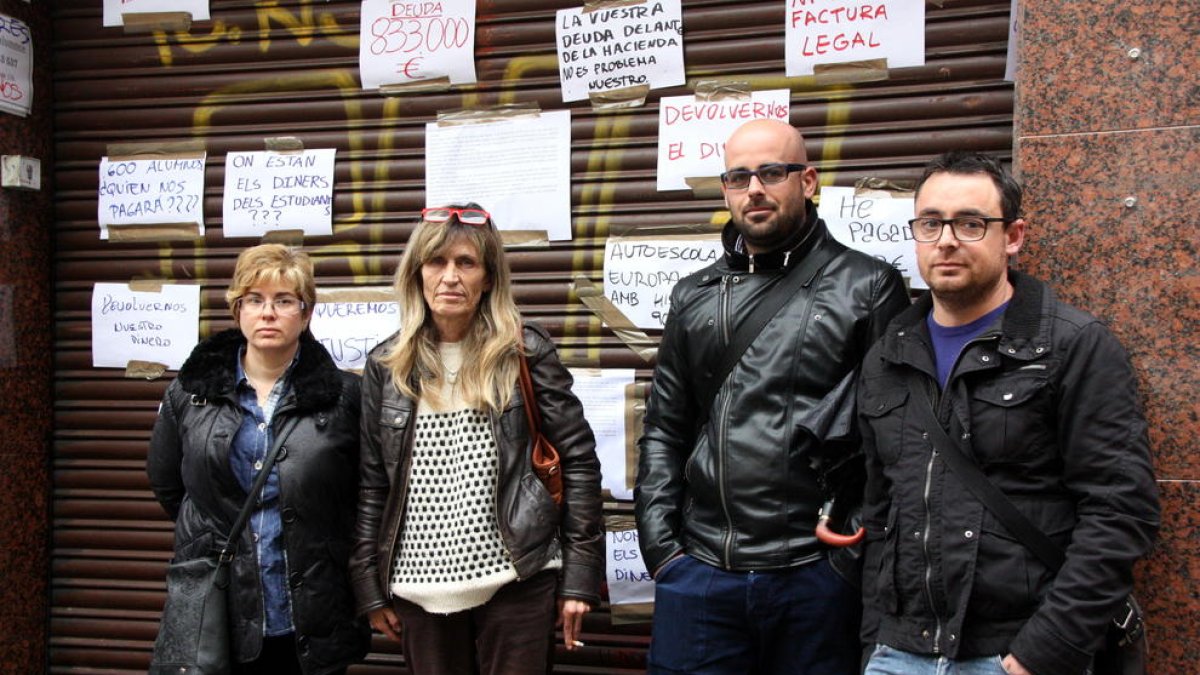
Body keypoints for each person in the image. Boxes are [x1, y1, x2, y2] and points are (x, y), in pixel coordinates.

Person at [857, 151, 1161, 675]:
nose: (946, 240)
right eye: (930, 223)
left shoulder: (1073, 346)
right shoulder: (889, 353)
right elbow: (882, 513)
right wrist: (873, 643)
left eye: (970, 223)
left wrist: (1035, 658)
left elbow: (1120, 514)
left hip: (1013, 652)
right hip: (898, 652)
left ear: (1013, 236)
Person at [635, 119, 911, 674]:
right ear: (725, 192)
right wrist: (664, 551)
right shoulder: (693, 295)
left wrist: (851, 558)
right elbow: (666, 427)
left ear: (807, 181)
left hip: (815, 576)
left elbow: (898, 439)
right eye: (739, 177)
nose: (754, 189)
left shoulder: (869, 286)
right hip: (702, 574)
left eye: (770, 172)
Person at [350, 204, 604, 675]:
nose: (450, 277)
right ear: (417, 274)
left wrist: (579, 578)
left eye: (465, 263)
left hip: (518, 581)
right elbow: (372, 485)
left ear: (487, 278)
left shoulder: (523, 351)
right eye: (436, 262)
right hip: (418, 591)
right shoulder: (386, 366)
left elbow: (580, 462)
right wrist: (368, 585)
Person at [147, 244, 370, 674]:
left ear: (305, 315)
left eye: (284, 301)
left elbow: (362, 495)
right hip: (222, 605)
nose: (268, 313)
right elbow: (168, 485)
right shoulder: (191, 393)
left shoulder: (344, 397)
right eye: (255, 299)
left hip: (311, 606)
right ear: (238, 310)